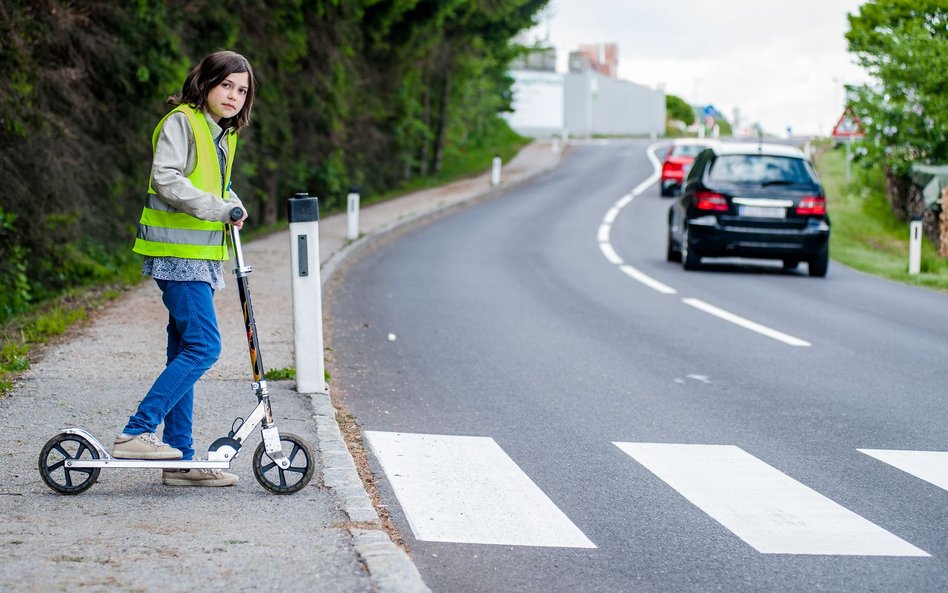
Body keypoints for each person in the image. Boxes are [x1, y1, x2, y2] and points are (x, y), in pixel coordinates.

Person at [111, 51, 255, 488]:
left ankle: (180, 458)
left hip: (201, 258)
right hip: (177, 255)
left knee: (184, 350)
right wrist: (218, 207)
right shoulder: (182, 121)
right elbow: (167, 179)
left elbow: (214, 184)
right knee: (204, 347)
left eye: (242, 90)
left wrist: (233, 201)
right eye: (226, 85)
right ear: (207, 82)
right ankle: (136, 432)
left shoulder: (222, 135)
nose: (233, 96)